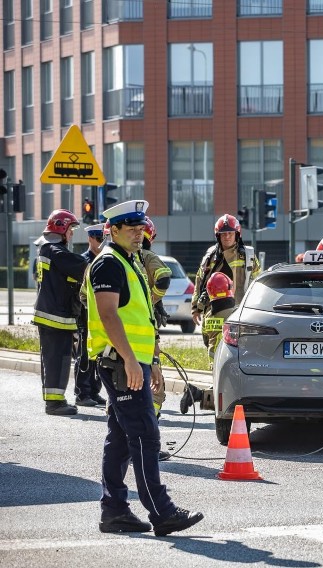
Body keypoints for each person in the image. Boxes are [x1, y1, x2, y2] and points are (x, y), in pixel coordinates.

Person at [84, 199, 203, 536]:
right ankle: (162, 512)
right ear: (114, 230)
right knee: (145, 436)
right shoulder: (109, 263)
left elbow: (141, 318)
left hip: (131, 362)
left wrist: (151, 362)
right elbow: (108, 315)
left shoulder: (128, 260)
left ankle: (114, 512)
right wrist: (132, 361)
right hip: (121, 364)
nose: (140, 233)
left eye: (141, 227)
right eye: (132, 228)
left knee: (121, 438)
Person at [183, 214, 259, 410]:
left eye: (230, 234)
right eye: (223, 234)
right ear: (218, 236)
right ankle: (219, 394)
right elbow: (200, 280)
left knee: (241, 352)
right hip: (215, 310)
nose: (227, 237)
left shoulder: (248, 256)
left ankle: (224, 393)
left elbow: (257, 281)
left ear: (237, 234)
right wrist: (196, 307)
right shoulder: (211, 256)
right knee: (216, 351)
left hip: (242, 310)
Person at [33, 209, 88, 416]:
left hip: (51, 314)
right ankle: (55, 404)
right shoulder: (55, 251)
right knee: (58, 360)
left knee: (52, 360)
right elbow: (82, 266)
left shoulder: (46, 250)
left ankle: (55, 400)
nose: (72, 234)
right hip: (56, 316)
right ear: (62, 229)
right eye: (70, 229)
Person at [180, 273, 236, 414]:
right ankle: (195, 394)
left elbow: (206, 340)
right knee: (229, 398)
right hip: (229, 359)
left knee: (223, 392)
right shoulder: (235, 314)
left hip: (213, 359)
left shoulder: (208, 316)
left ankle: (195, 394)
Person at [136, 216, 172, 417]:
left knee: (119, 390)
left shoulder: (107, 260)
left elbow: (83, 296)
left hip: (109, 339)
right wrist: (153, 301)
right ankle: (149, 429)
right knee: (155, 388)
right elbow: (164, 278)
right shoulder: (147, 256)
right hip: (144, 336)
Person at [74, 223, 107, 407]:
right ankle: (81, 393)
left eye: (104, 239)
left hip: (100, 316)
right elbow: (80, 293)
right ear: (90, 239)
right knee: (85, 357)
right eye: (99, 239)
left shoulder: (105, 259)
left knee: (99, 355)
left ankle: (94, 391)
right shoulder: (84, 260)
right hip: (85, 316)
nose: (102, 243)